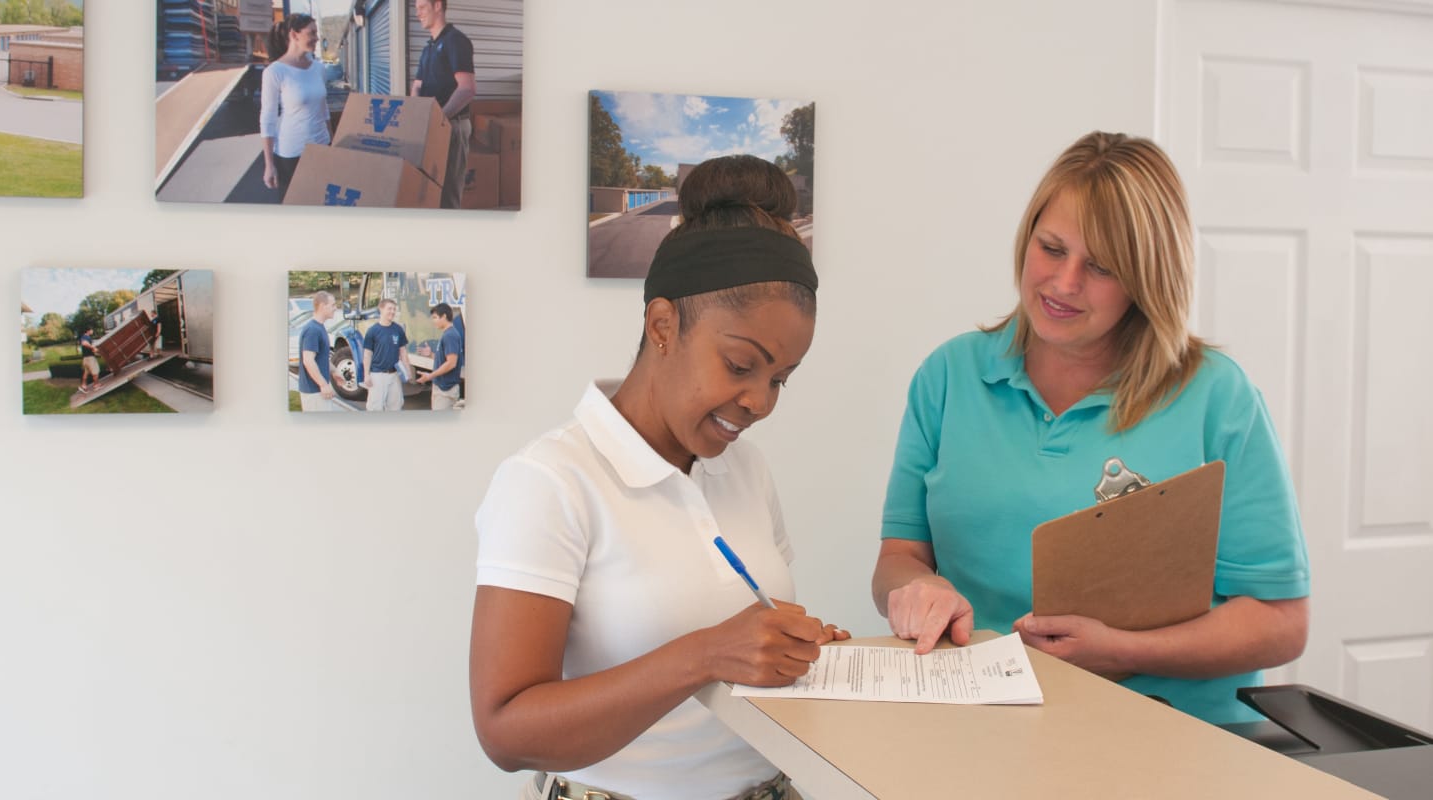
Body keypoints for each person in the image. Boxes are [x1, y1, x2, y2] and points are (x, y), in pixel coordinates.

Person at [871, 132, 1310, 725]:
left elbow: (1280, 623)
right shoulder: (948, 376)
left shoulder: (1216, 396)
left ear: (1146, 279)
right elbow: (899, 558)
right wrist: (919, 592)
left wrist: (1125, 651)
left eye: (1100, 266)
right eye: (1051, 248)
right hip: (984, 723)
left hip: (1175, 739)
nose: (1065, 282)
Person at [471, 155, 848, 800]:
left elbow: (747, 641)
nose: (762, 402)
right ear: (663, 325)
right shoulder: (551, 482)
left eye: (779, 379)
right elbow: (507, 732)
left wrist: (794, 646)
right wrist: (705, 655)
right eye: (740, 365)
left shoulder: (744, 469)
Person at [410, 0, 475, 209]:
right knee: (428, 193)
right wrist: (418, 114)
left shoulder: (456, 41)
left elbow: (467, 89)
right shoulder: (428, 47)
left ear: (438, 5)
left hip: (452, 127)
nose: (417, 13)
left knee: (448, 199)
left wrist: (438, 119)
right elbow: (417, 85)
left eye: (422, 7)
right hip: (432, 127)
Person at [259, 13, 330, 203]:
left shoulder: (319, 69)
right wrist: (269, 164)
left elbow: (324, 109)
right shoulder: (275, 72)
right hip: (292, 153)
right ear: (294, 35)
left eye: (317, 33)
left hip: (322, 146)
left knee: (321, 205)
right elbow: (268, 119)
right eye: (312, 33)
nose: (316, 38)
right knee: (294, 207)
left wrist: (332, 143)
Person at [361, 298, 411, 412]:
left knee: (395, 407)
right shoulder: (373, 331)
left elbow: (403, 352)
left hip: (394, 374)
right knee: (375, 408)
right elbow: (367, 354)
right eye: (389, 309)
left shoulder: (398, 329)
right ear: (381, 309)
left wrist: (407, 370)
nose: (392, 312)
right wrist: (366, 375)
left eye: (394, 309)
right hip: (377, 375)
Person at [414, 302, 462, 410]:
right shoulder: (447, 334)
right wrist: (431, 354)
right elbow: (445, 360)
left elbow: (451, 363)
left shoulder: (450, 335)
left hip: (445, 390)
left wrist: (430, 376)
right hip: (440, 388)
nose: (433, 321)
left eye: (435, 317)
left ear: (444, 316)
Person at [297, 291, 337, 412]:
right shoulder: (313, 330)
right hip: (314, 393)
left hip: (318, 391)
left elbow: (321, 357)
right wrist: (323, 385)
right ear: (322, 306)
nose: (335, 308)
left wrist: (335, 371)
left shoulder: (319, 327)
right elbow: (308, 360)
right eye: (333, 305)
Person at [78, 326, 99, 393]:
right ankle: (96, 385)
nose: (92, 331)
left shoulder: (85, 337)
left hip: (85, 358)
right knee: (95, 371)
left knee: (86, 372)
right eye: (91, 330)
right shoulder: (86, 337)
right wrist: (92, 347)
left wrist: (94, 350)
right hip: (90, 358)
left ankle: (83, 386)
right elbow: (84, 343)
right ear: (88, 331)